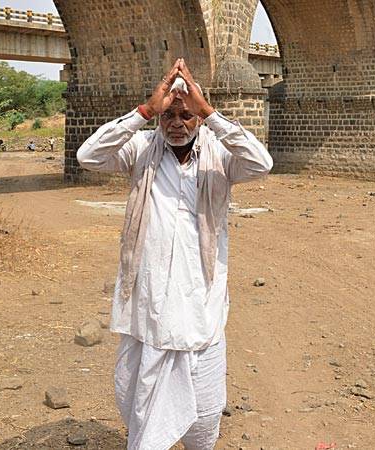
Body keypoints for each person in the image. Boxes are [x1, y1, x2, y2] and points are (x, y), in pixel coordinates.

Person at [76, 58, 273, 450]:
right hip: (147, 313)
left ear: (198, 117)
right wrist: (145, 111)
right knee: (138, 403)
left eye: (186, 115)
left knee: (203, 415)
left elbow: (262, 163)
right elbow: (88, 156)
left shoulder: (221, 156)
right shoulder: (141, 149)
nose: (177, 122)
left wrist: (211, 113)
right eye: (169, 114)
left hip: (200, 312)